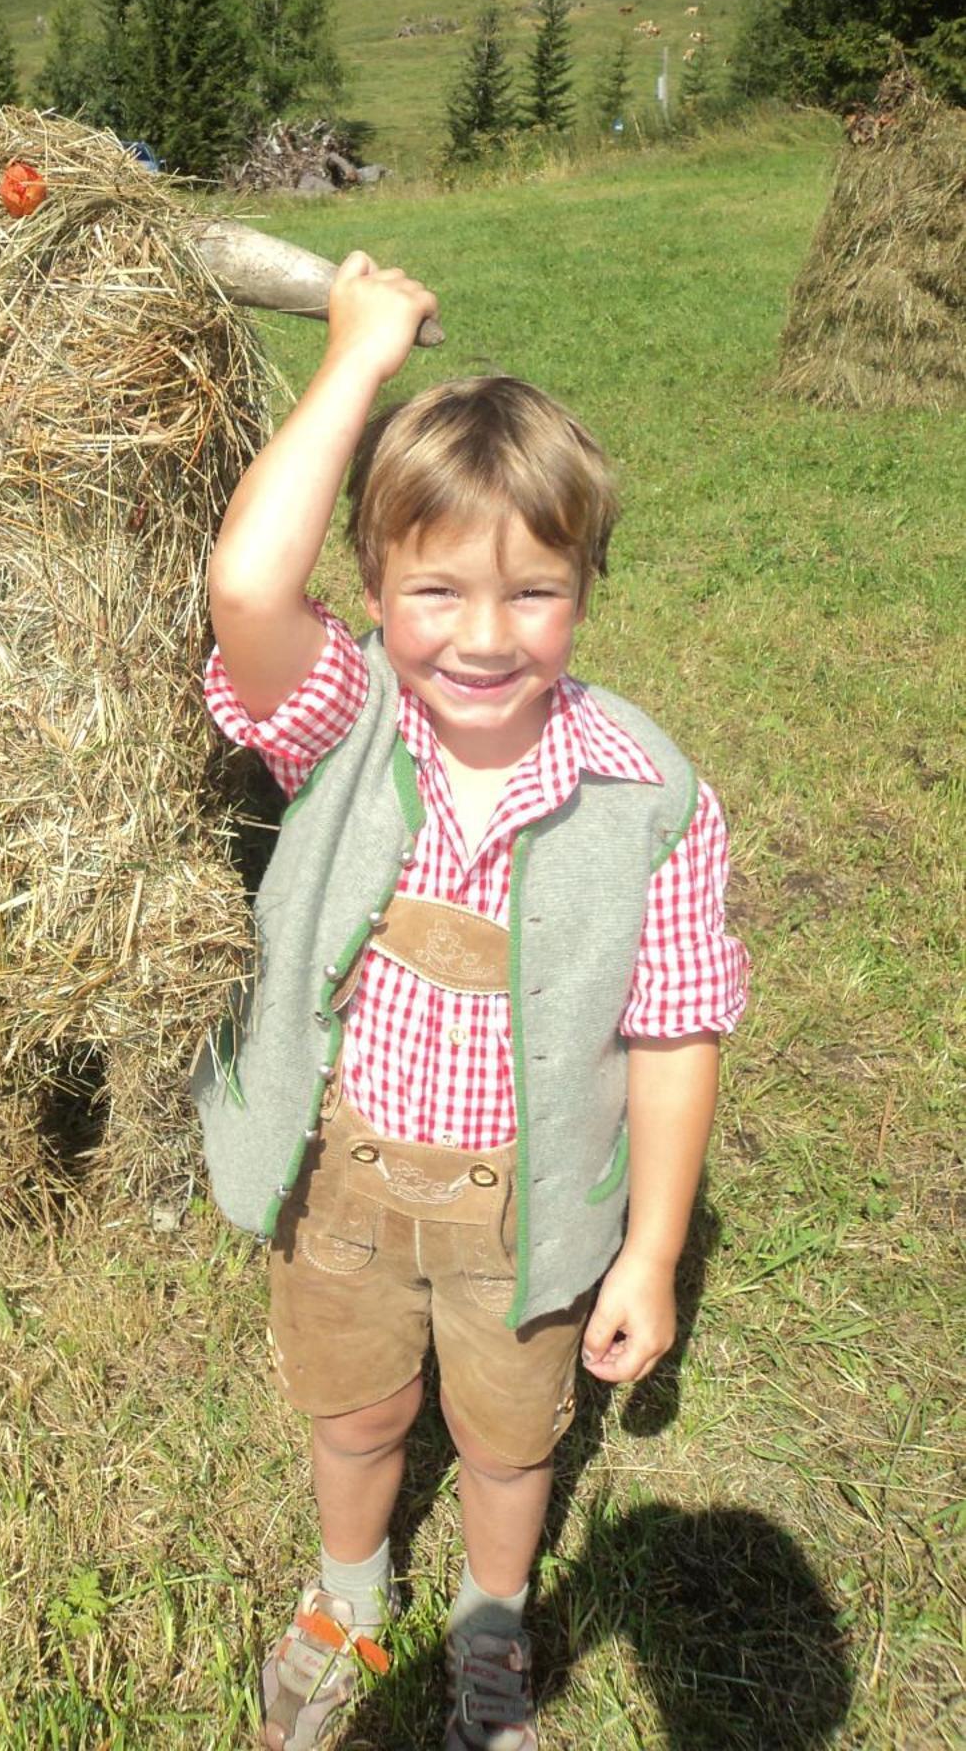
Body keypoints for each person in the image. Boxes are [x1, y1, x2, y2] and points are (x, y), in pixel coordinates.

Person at [192, 253, 749, 1751]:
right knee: (357, 1416)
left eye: (534, 591)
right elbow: (247, 582)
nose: (484, 635)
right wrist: (359, 358)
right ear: (374, 594)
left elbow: (674, 1030)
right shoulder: (343, 721)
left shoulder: (648, 796)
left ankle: (491, 1628)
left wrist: (647, 1252)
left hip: (531, 1209)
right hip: (348, 1188)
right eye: (434, 589)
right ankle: (350, 1597)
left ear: (585, 591)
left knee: (510, 1450)